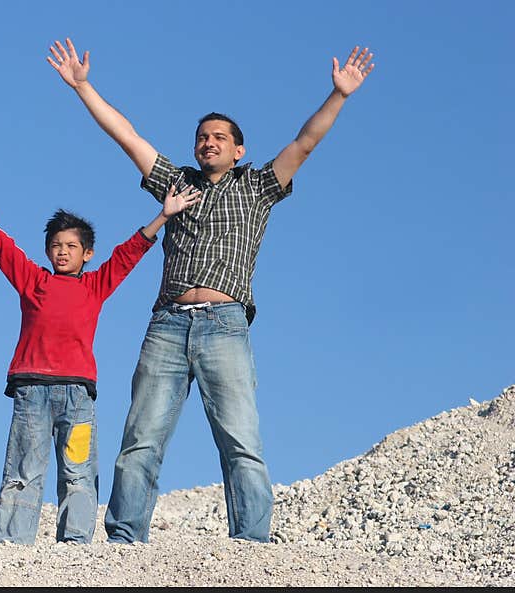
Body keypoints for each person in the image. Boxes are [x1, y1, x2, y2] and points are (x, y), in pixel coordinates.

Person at [48, 37, 375, 544]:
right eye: (202, 136)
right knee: (140, 439)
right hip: (168, 324)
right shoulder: (176, 183)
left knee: (240, 440)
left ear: (238, 149)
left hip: (225, 324)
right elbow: (127, 137)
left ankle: (251, 545)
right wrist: (83, 87)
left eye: (220, 137)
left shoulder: (258, 187)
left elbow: (304, 143)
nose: (209, 142)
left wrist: (339, 96)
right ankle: (124, 540)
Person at [0, 170, 201, 544]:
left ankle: (74, 546)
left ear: (87, 253)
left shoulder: (94, 286)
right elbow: (0, 245)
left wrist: (164, 215)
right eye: (56, 244)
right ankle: (12, 544)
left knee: (78, 473)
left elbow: (129, 254)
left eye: (71, 246)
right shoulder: (32, 281)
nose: (62, 251)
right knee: (23, 471)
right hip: (31, 395)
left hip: (78, 398)